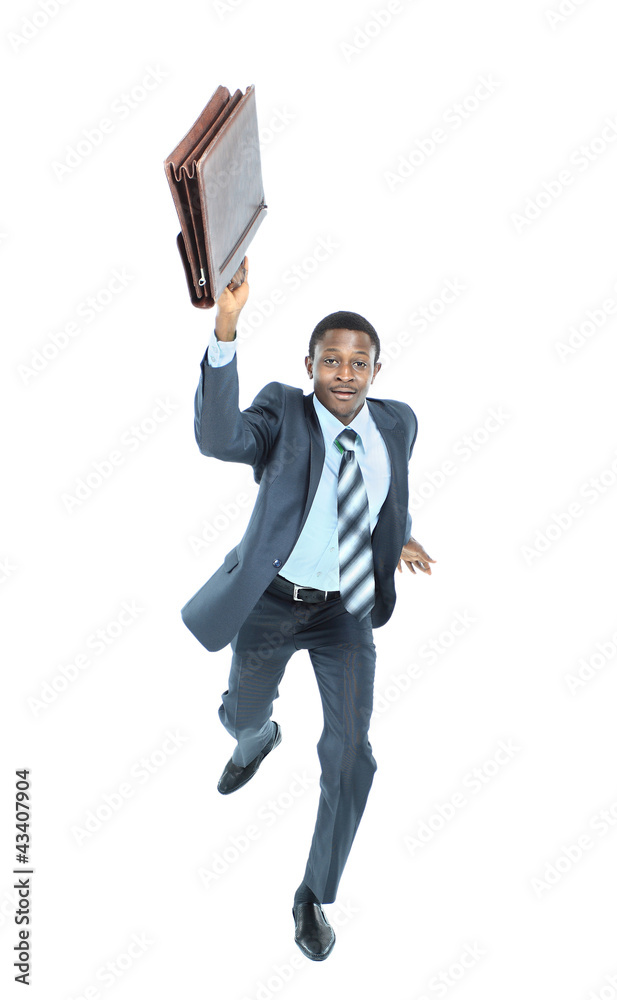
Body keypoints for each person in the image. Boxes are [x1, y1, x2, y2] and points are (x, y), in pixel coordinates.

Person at [181, 257, 435, 961]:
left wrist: (399, 537)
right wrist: (225, 327)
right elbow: (218, 439)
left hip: (344, 611)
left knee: (351, 754)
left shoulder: (398, 422)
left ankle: (314, 893)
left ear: (376, 370)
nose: (344, 374)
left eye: (358, 362)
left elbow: (386, 492)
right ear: (310, 366)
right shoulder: (283, 414)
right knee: (241, 712)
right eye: (331, 360)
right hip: (269, 603)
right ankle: (255, 739)